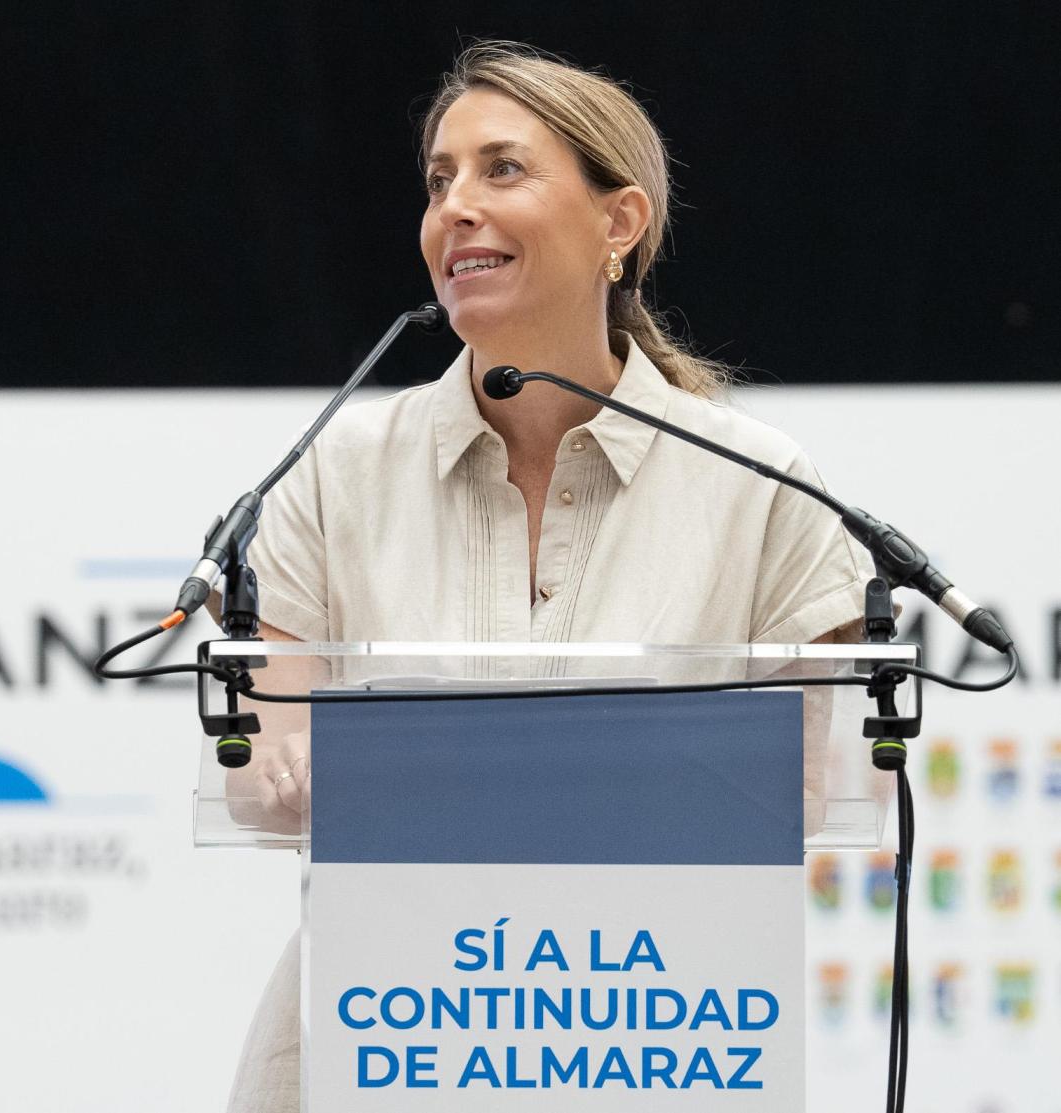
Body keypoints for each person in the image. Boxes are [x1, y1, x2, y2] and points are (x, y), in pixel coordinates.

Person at [222, 41, 872, 1113]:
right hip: (381, 1035)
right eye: (439, 181)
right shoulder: (335, 474)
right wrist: (279, 770)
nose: (455, 208)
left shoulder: (756, 483)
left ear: (618, 224)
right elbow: (257, 769)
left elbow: (817, 778)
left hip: (656, 1035)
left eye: (501, 169)